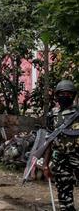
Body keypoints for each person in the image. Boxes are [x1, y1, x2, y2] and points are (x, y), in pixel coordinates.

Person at [42, 79, 78, 211]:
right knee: (64, 196)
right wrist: (46, 164)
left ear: (73, 96)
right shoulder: (52, 115)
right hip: (61, 161)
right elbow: (49, 141)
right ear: (57, 96)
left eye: (69, 94)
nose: (65, 97)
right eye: (62, 94)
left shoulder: (77, 113)